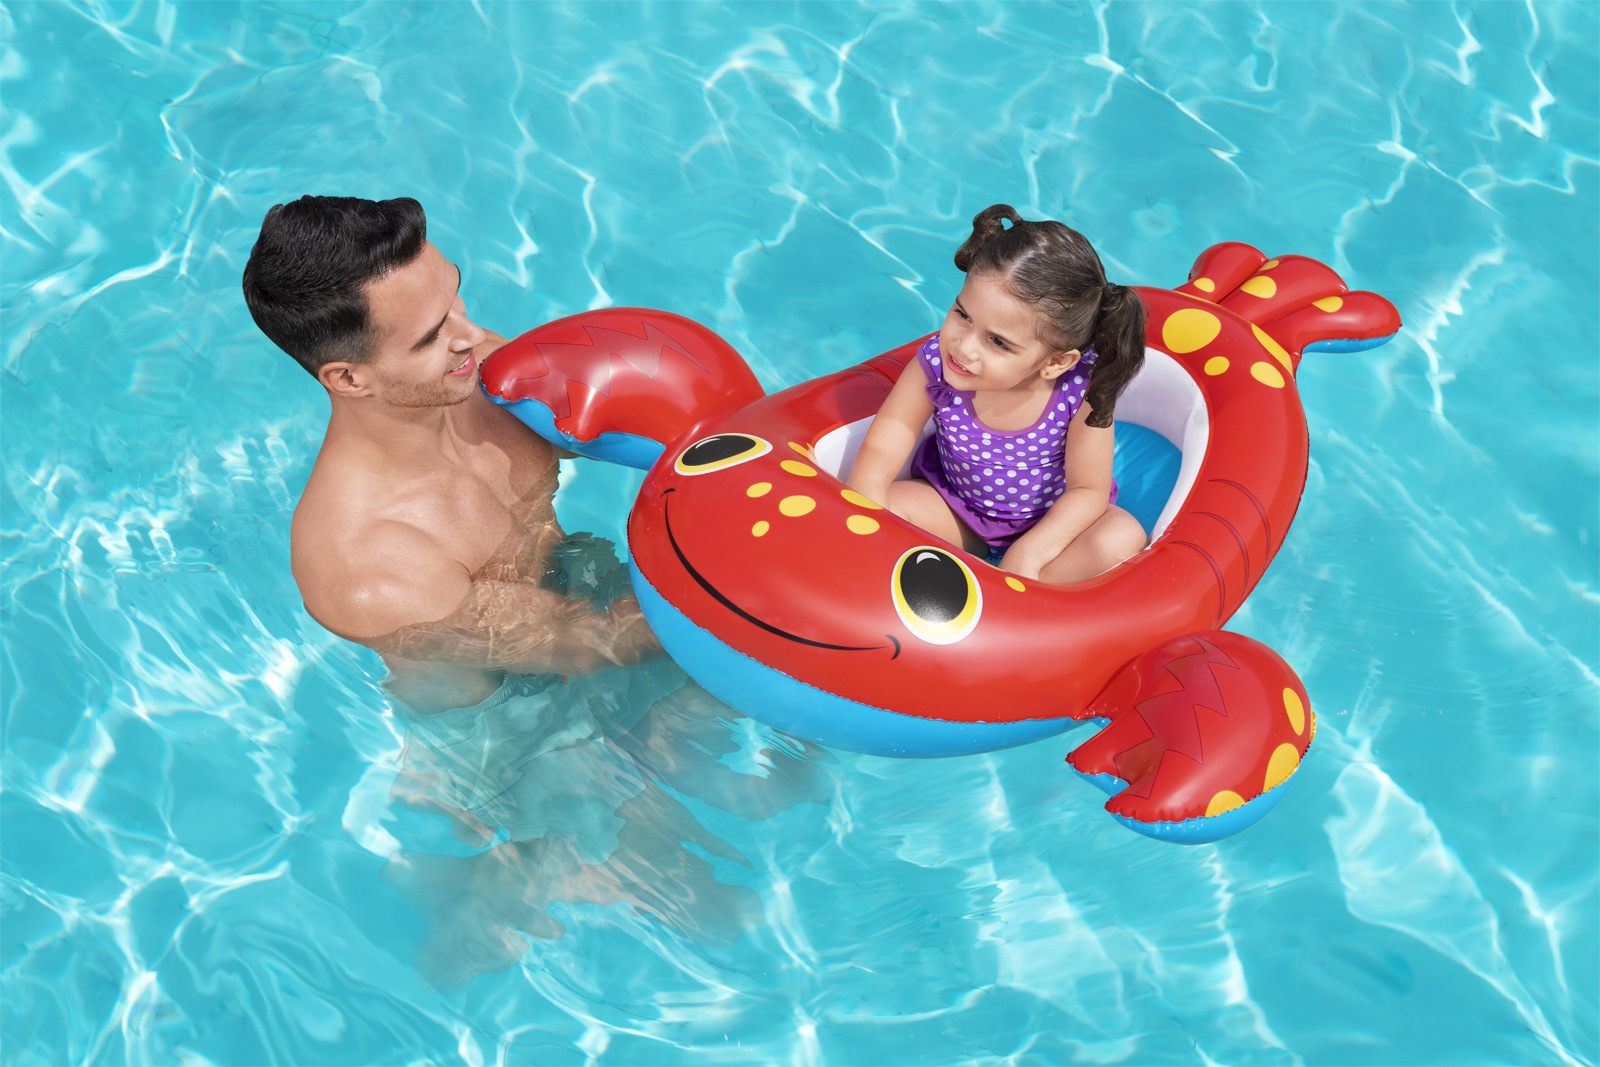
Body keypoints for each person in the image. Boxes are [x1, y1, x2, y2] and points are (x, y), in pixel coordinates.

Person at [242, 195, 660, 714]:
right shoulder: (370, 569)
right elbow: (583, 643)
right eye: (430, 336)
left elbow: (616, 432)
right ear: (348, 378)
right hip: (502, 721)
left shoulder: (473, 371)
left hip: (582, 589)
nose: (472, 335)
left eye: (454, 298)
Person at [846, 204, 1150, 583]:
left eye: (998, 342)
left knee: (1121, 537)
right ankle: (988, 583)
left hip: (1050, 529)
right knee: (887, 504)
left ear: (1055, 362)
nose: (964, 347)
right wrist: (866, 516)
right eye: (963, 314)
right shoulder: (935, 362)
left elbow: (1088, 490)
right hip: (958, 511)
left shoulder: (1079, 392)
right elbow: (885, 443)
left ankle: (1018, 589)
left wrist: (1027, 554)